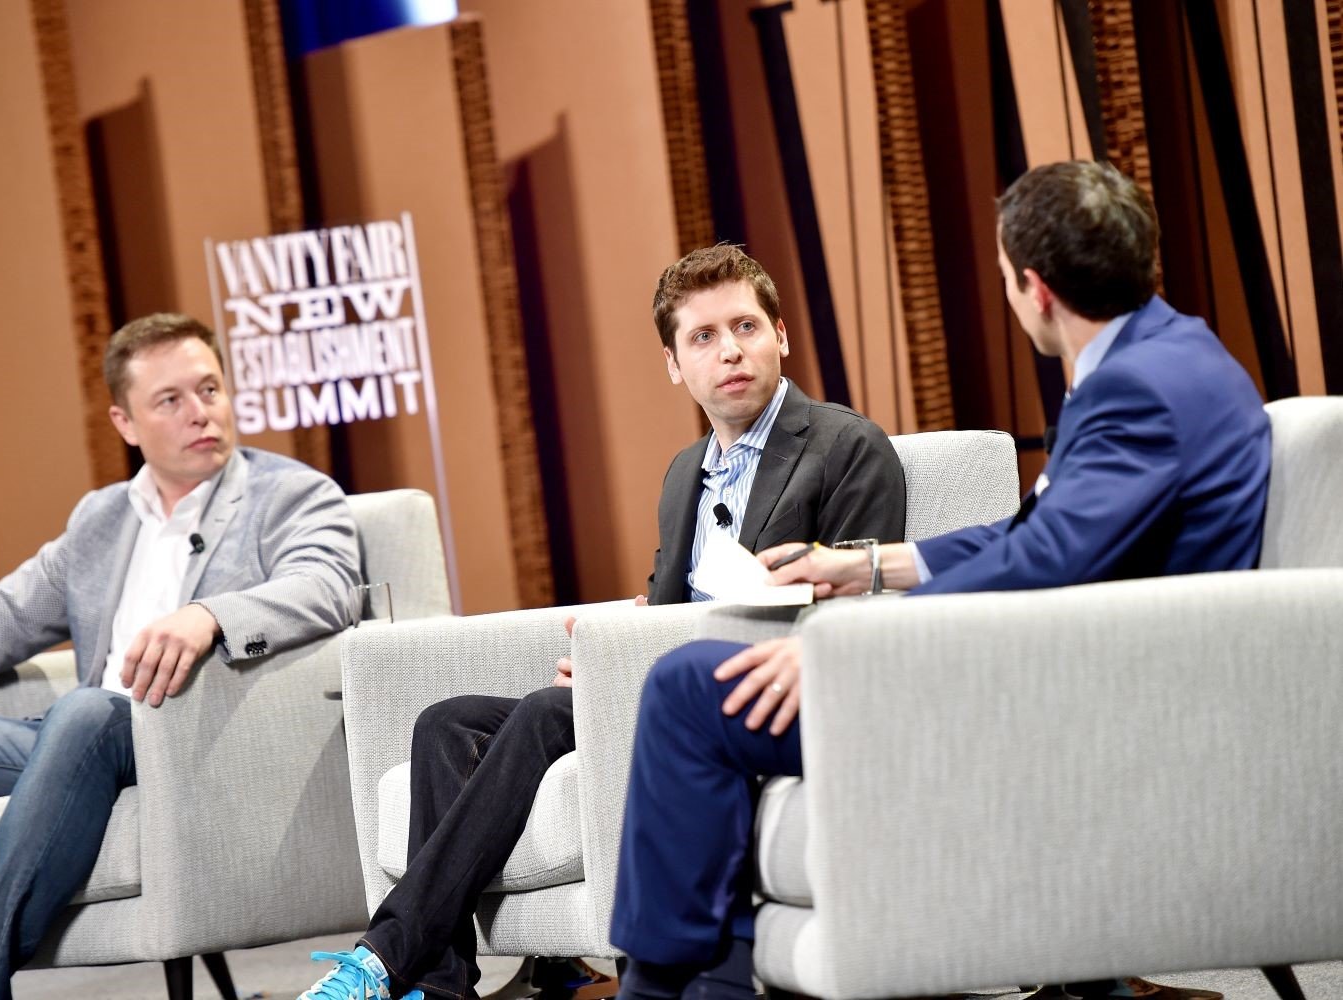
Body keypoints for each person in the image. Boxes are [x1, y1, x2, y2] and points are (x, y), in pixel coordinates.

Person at [610, 161, 1271, 1000]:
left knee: (684, 691)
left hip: (1082, 700)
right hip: (1089, 662)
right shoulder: (1178, 353)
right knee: (693, 684)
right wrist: (873, 565)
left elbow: (1045, 560)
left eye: (1000, 277)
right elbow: (1041, 531)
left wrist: (860, 644)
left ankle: (668, 990)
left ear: (1033, 289)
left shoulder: (1135, 389)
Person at [296, 244, 906, 1000]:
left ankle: (383, 958)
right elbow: (664, 599)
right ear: (675, 366)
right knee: (445, 724)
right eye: (703, 337)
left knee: (551, 711)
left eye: (745, 327)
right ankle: (442, 985)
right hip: (657, 684)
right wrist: (608, 658)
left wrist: (624, 666)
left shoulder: (848, 448)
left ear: (781, 335)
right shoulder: (687, 471)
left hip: (752, 692)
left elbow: (859, 614)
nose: (730, 351)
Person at [0, 314, 362, 1000]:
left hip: (185, 736)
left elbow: (326, 587)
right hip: (77, 743)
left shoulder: (289, 494)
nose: (200, 412)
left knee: (88, 710)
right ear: (125, 423)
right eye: (170, 401)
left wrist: (209, 616)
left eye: (209, 389)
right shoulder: (103, 519)